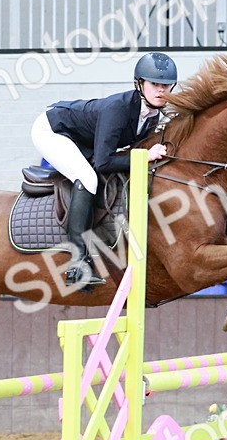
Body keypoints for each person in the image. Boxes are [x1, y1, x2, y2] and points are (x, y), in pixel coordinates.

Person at [31, 51, 177, 288]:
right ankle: (77, 264)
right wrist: (145, 157)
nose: (161, 90)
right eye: (154, 84)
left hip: (83, 140)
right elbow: (104, 163)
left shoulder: (153, 115)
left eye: (166, 85)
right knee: (88, 178)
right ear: (140, 84)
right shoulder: (118, 108)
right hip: (52, 130)